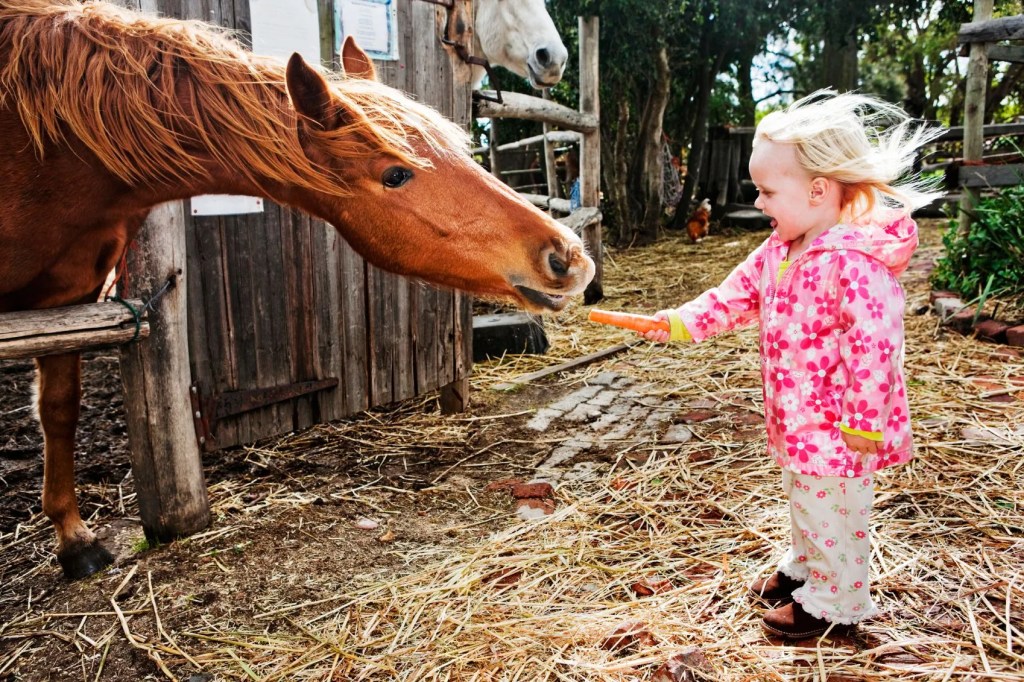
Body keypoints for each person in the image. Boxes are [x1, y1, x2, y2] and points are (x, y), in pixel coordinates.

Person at [641, 90, 942, 639]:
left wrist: (862, 419)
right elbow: (734, 296)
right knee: (806, 496)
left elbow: (876, 346)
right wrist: (680, 321)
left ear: (819, 191)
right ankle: (807, 566)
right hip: (798, 418)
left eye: (766, 191)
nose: (758, 202)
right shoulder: (780, 250)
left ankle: (836, 600)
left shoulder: (853, 264)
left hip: (841, 426)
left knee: (835, 508)